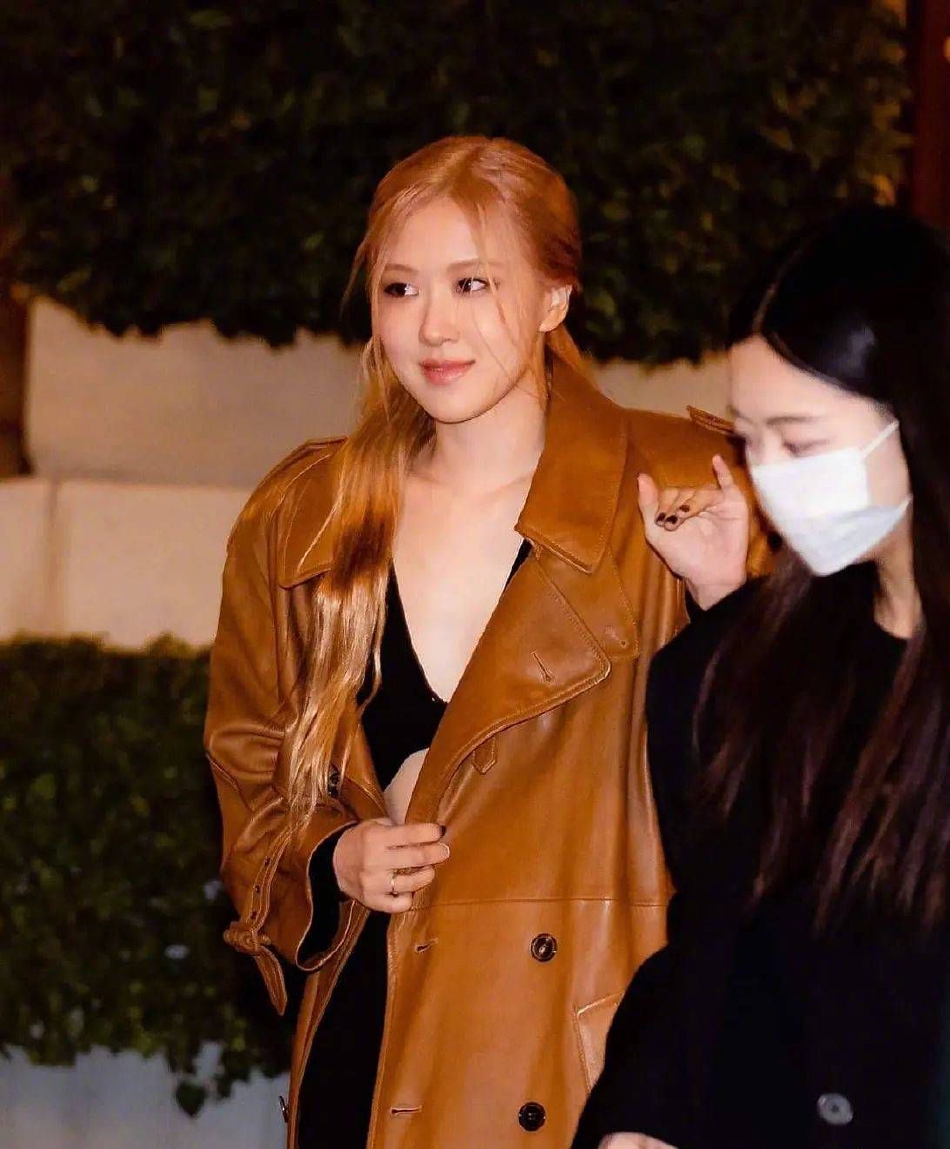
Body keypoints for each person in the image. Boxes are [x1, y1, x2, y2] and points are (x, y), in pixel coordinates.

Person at [204, 135, 762, 1149]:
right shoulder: (306, 516)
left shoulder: (687, 486)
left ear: (555, 295)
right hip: (374, 1047)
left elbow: (800, 780)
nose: (433, 325)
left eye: (472, 283)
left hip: (593, 1059)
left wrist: (729, 601)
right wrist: (332, 857)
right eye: (400, 287)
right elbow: (251, 772)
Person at [573, 205, 950, 1149]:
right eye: (751, 440)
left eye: (802, 441)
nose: (771, 476)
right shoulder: (731, 675)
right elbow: (712, 955)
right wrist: (642, 1117)